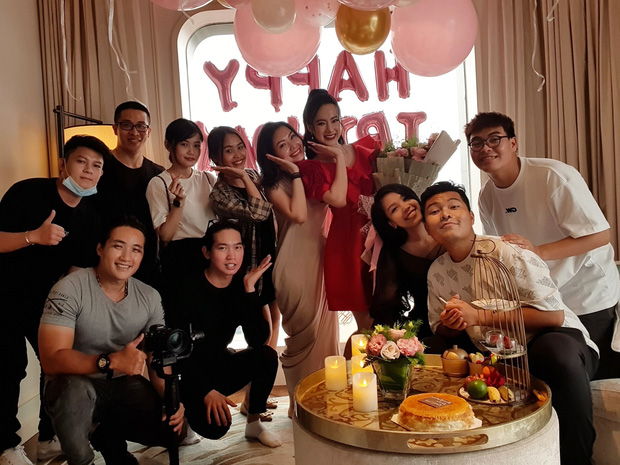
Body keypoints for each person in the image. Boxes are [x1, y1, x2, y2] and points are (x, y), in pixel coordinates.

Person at [421, 181, 599, 465]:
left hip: (554, 339)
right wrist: (451, 323)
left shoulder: (506, 251)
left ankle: (578, 459)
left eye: (454, 206)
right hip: (499, 353)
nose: (445, 214)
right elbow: (438, 327)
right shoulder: (437, 272)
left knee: (553, 352)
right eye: (434, 211)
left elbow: (553, 316)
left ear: (471, 217)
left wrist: (478, 316)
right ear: (428, 228)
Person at [465, 111, 619, 379]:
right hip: (545, 302)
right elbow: (503, 252)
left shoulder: (553, 176)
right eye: (476, 143)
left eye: (494, 139)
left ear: (513, 143)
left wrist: (539, 252)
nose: (485, 148)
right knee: (551, 377)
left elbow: (599, 235)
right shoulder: (486, 196)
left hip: (587, 294)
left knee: (592, 381)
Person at [38, 216, 185, 465]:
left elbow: (156, 358)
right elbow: (51, 360)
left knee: (173, 428)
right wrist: (110, 361)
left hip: (119, 383)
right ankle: (82, 459)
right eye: (118, 246)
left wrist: (171, 400)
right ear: (100, 248)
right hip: (72, 384)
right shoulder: (68, 288)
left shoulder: (149, 296)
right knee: (73, 395)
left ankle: (107, 438)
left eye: (136, 249)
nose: (126, 257)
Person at [0, 135, 106, 465]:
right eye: (81, 162)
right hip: (5, 294)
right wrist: (33, 236)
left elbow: (76, 269)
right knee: (8, 368)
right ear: (63, 164)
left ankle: (48, 438)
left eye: (97, 166)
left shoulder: (90, 216)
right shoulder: (28, 192)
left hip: (44, 301)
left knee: (57, 364)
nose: (89, 170)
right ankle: (6, 447)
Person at [163, 220, 282, 448]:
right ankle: (186, 415)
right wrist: (206, 391)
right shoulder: (186, 289)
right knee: (216, 428)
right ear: (207, 252)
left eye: (237, 247)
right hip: (187, 373)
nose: (231, 256)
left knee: (266, 356)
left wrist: (249, 290)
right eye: (222, 248)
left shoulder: (240, 286)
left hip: (218, 364)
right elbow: (176, 352)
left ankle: (254, 423)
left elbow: (258, 340)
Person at [256, 122, 340, 418]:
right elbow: (300, 216)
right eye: (282, 144)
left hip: (320, 260)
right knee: (305, 337)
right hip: (293, 264)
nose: (292, 145)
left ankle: (326, 404)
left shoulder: (314, 171)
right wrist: (294, 173)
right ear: (271, 155)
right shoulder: (274, 184)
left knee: (327, 335)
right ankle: (300, 406)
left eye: (293, 137)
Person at [300, 88, 378, 336]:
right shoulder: (312, 168)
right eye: (321, 123)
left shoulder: (366, 149)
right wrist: (336, 156)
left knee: (388, 316)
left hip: (383, 236)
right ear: (310, 127)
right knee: (367, 325)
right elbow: (340, 202)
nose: (330, 129)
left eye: (335, 120)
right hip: (348, 243)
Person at [208, 126, 281, 350]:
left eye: (240, 147)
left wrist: (245, 177)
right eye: (229, 150)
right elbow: (259, 212)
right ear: (216, 157)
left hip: (270, 254)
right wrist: (242, 176)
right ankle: (258, 367)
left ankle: (268, 365)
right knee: (260, 329)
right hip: (249, 264)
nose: (238, 154)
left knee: (275, 316)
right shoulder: (219, 194)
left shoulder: (252, 175)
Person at [92, 101, 164, 285]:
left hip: (147, 266)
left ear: (149, 131)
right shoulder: (98, 167)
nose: (134, 132)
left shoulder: (158, 174)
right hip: (104, 265)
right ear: (115, 129)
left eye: (141, 126)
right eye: (126, 125)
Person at [146, 118, 216, 295]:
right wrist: (178, 203)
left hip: (212, 254)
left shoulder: (208, 178)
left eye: (197, 145)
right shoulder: (159, 183)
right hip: (181, 258)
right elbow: (165, 236)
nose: (192, 151)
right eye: (184, 144)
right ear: (169, 145)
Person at [369, 184, 443, 339]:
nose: (406, 207)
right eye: (394, 209)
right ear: (391, 223)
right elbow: (388, 302)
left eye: (406, 198)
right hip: (426, 329)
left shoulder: (447, 229)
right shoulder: (394, 254)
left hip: (468, 319)